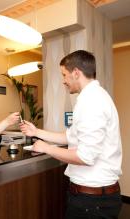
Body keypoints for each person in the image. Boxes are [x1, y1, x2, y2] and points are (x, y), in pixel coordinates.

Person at [20, 50, 122, 219]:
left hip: (92, 201)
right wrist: (36, 132)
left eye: (64, 75)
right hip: (92, 198)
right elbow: (70, 137)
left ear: (76, 73)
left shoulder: (92, 102)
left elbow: (85, 157)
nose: (63, 81)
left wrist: (46, 148)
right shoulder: (91, 98)